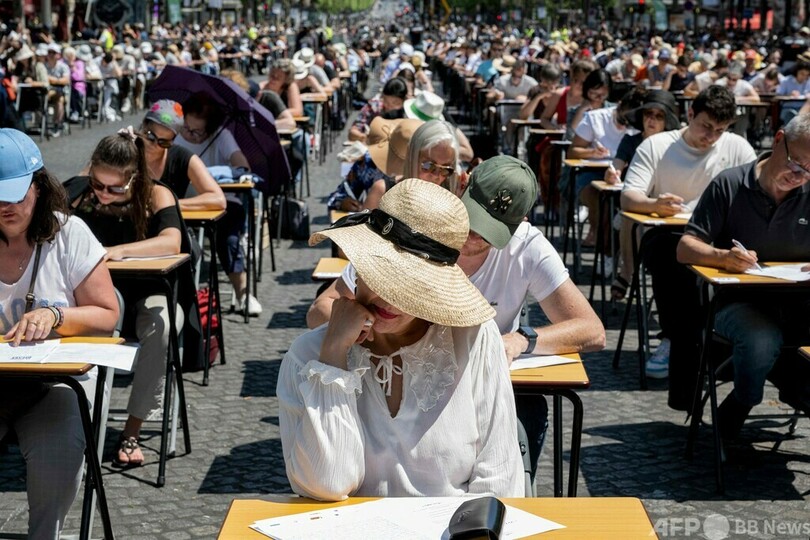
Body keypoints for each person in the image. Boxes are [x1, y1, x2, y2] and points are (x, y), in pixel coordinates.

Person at [279, 179, 524, 500]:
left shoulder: (476, 340)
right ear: (359, 266)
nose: (388, 298)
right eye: (379, 273)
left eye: (413, 284)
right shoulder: (308, 357)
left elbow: (500, 480)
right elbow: (327, 483)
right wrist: (334, 355)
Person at [0, 128, 119, 538]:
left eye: (15, 195)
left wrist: (55, 315)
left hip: (55, 383)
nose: (4, 206)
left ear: (39, 187)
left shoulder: (69, 234)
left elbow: (108, 314)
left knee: (56, 457)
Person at [676, 116, 810, 438]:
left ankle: (798, 389)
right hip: (737, 301)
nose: (799, 176)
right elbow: (686, 247)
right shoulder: (730, 184)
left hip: (800, 301)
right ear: (778, 140)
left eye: (808, 170)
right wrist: (722, 257)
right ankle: (741, 402)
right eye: (796, 163)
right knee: (761, 338)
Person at [621, 86, 756, 404]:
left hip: (720, 236)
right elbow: (629, 196)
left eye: (720, 130)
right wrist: (655, 203)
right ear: (690, 115)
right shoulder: (658, 146)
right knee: (675, 262)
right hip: (669, 233)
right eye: (706, 126)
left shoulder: (736, 147)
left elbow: (755, 189)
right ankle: (678, 339)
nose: (712, 137)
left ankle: (723, 347)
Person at [69, 130, 183, 467]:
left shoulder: (156, 194)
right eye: (98, 185)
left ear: (136, 178)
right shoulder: (79, 194)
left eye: (115, 188)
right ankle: (76, 421)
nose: (104, 195)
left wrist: (115, 252)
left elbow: (171, 242)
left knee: (162, 326)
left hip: (145, 293)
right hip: (88, 297)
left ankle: (132, 428)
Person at [604, 90, 681, 300]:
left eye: (658, 116)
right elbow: (616, 167)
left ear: (667, 120)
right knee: (630, 218)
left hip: (671, 208)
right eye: (648, 114)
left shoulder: (677, 145)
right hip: (637, 204)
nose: (652, 120)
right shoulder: (630, 141)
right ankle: (627, 272)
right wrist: (613, 173)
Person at [349, 77, 407, 142]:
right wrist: (364, 136)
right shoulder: (373, 107)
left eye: (395, 103)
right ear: (382, 96)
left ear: (404, 100)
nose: (390, 106)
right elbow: (353, 131)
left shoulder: (408, 113)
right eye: (386, 102)